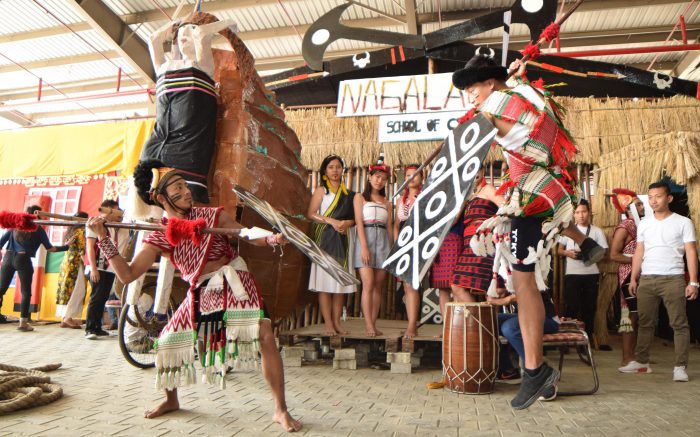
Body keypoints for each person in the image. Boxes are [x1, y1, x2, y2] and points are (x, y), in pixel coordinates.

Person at [86, 159, 300, 431]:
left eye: (185, 185)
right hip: (201, 289)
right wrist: (103, 238)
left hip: (234, 280)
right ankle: (171, 400)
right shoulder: (159, 236)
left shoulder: (212, 216)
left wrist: (269, 238)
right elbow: (127, 275)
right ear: (161, 198)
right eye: (177, 188)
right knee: (166, 342)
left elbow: (244, 234)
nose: (186, 191)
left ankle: (280, 410)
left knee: (265, 335)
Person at [451, 51, 605, 409]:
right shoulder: (524, 93)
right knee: (524, 278)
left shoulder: (493, 108)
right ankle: (582, 242)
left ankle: (535, 369)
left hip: (532, 196)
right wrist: (516, 76)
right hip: (552, 188)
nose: (470, 94)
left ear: (490, 82)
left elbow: (471, 142)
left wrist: (468, 125)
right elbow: (524, 109)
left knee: (523, 282)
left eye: (473, 87)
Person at [140, 14, 236, 203]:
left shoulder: (202, 65)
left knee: (183, 199)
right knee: (148, 196)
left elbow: (202, 34)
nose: (185, 35)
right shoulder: (164, 66)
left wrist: (217, 25)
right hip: (158, 143)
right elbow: (153, 39)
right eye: (181, 34)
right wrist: (174, 25)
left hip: (189, 145)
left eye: (190, 32)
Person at [620, 181, 698, 382]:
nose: (653, 201)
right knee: (645, 323)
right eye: (650, 197)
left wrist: (694, 282)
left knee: (679, 324)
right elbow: (639, 251)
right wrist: (634, 277)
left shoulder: (683, 222)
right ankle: (642, 362)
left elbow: (690, 251)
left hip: (673, 278)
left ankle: (680, 367)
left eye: (658, 196)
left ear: (669, 198)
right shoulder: (644, 223)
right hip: (647, 278)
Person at [306, 155, 356, 336]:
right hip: (324, 240)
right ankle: (328, 323)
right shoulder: (321, 191)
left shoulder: (348, 194)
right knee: (324, 282)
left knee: (339, 283)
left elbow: (354, 219)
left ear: (342, 170)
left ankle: (337, 322)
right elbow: (311, 214)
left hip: (343, 240)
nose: (335, 171)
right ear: (325, 171)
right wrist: (332, 221)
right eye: (331, 167)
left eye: (338, 167)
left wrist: (346, 224)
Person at [0, 205, 69, 331]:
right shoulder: (38, 228)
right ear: (39, 215)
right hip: (23, 259)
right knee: (26, 292)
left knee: (1, 289)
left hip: (8, 258)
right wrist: (66, 247)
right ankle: (23, 323)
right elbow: (51, 249)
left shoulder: (14, 226)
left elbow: (0, 243)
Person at [490, 290, 560, 400]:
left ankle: (543, 377)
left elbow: (527, 292)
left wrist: (501, 301)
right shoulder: (507, 274)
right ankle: (508, 371)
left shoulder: (531, 272)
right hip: (525, 316)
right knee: (489, 320)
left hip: (547, 319)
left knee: (509, 328)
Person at [557, 199, 609, 345]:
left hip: (591, 274)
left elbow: (603, 252)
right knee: (571, 306)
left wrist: (588, 254)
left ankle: (588, 339)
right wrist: (568, 253)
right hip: (572, 274)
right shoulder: (567, 230)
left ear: (589, 213)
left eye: (584, 212)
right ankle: (568, 339)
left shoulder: (597, 231)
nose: (581, 215)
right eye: (578, 212)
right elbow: (559, 250)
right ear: (573, 214)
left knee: (589, 307)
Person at [451, 168, 506, 302]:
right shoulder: (469, 196)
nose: (474, 173)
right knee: (456, 285)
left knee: (491, 291)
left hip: (485, 243)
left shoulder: (488, 189)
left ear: (483, 171)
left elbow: (505, 207)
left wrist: (491, 228)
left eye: (477, 169)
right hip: (468, 245)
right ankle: (478, 322)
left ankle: (482, 322)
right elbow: (453, 221)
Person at [354, 154, 393, 337]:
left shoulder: (388, 203)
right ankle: (368, 325)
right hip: (366, 238)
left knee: (378, 285)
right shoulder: (360, 198)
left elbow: (390, 227)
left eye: (383, 179)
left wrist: (393, 249)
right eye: (377, 177)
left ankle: (374, 324)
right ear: (369, 177)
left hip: (383, 241)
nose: (380, 181)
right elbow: (359, 223)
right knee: (368, 283)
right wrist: (363, 247)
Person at [609, 188, 645, 366]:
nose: (642, 206)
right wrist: (637, 260)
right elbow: (614, 255)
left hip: (638, 274)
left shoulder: (642, 225)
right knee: (630, 316)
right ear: (628, 209)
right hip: (628, 276)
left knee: (635, 316)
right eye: (638, 204)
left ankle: (631, 356)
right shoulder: (625, 227)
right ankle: (627, 358)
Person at [84, 201, 130, 340]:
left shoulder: (119, 227)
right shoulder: (94, 223)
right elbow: (90, 247)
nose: (120, 214)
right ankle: (90, 328)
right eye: (116, 211)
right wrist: (93, 269)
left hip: (111, 268)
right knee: (96, 297)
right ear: (108, 211)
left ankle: (97, 328)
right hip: (98, 267)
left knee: (102, 298)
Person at [393, 164, 424, 338]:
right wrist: (398, 244)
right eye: (408, 175)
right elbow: (396, 225)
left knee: (413, 283)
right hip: (403, 243)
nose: (411, 177)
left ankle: (412, 324)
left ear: (422, 178)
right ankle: (411, 322)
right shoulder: (400, 200)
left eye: (415, 175)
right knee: (406, 285)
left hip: (419, 240)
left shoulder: (426, 196)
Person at [55, 211, 89, 328]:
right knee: (77, 290)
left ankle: (64, 318)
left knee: (66, 289)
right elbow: (82, 249)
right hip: (76, 263)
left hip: (66, 263)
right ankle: (68, 318)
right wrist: (88, 264)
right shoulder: (81, 231)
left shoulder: (70, 230)